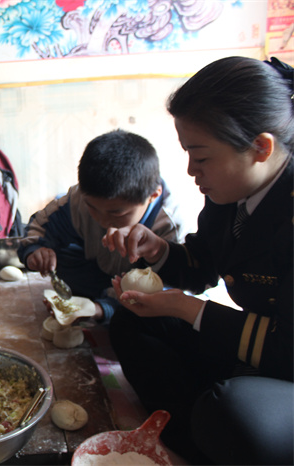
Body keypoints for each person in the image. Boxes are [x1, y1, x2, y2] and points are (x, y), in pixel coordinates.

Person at [104, 56, 293, 464]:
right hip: (258, 355)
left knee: (233, 412)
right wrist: (157, 249)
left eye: (202, 157)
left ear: (261, 147)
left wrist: (183, 307)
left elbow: (286, 348)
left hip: (287, 365)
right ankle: (189, 442)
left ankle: (207, 432)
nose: (191, 170)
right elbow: (204, 266)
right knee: (130, 321)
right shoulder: (231, 194)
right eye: (188, 153)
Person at [17, 129, 188, 323]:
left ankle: (106, 308)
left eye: (116, 213)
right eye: (92, 208)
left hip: (134, 295)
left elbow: (169, 288)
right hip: (95, 275)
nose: (103, 221)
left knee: (148, 317)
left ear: (152, 196)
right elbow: (39, 226)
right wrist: (35, 251)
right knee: (63, 254)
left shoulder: (170, 224)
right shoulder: (79, 199)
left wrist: (99, 309)